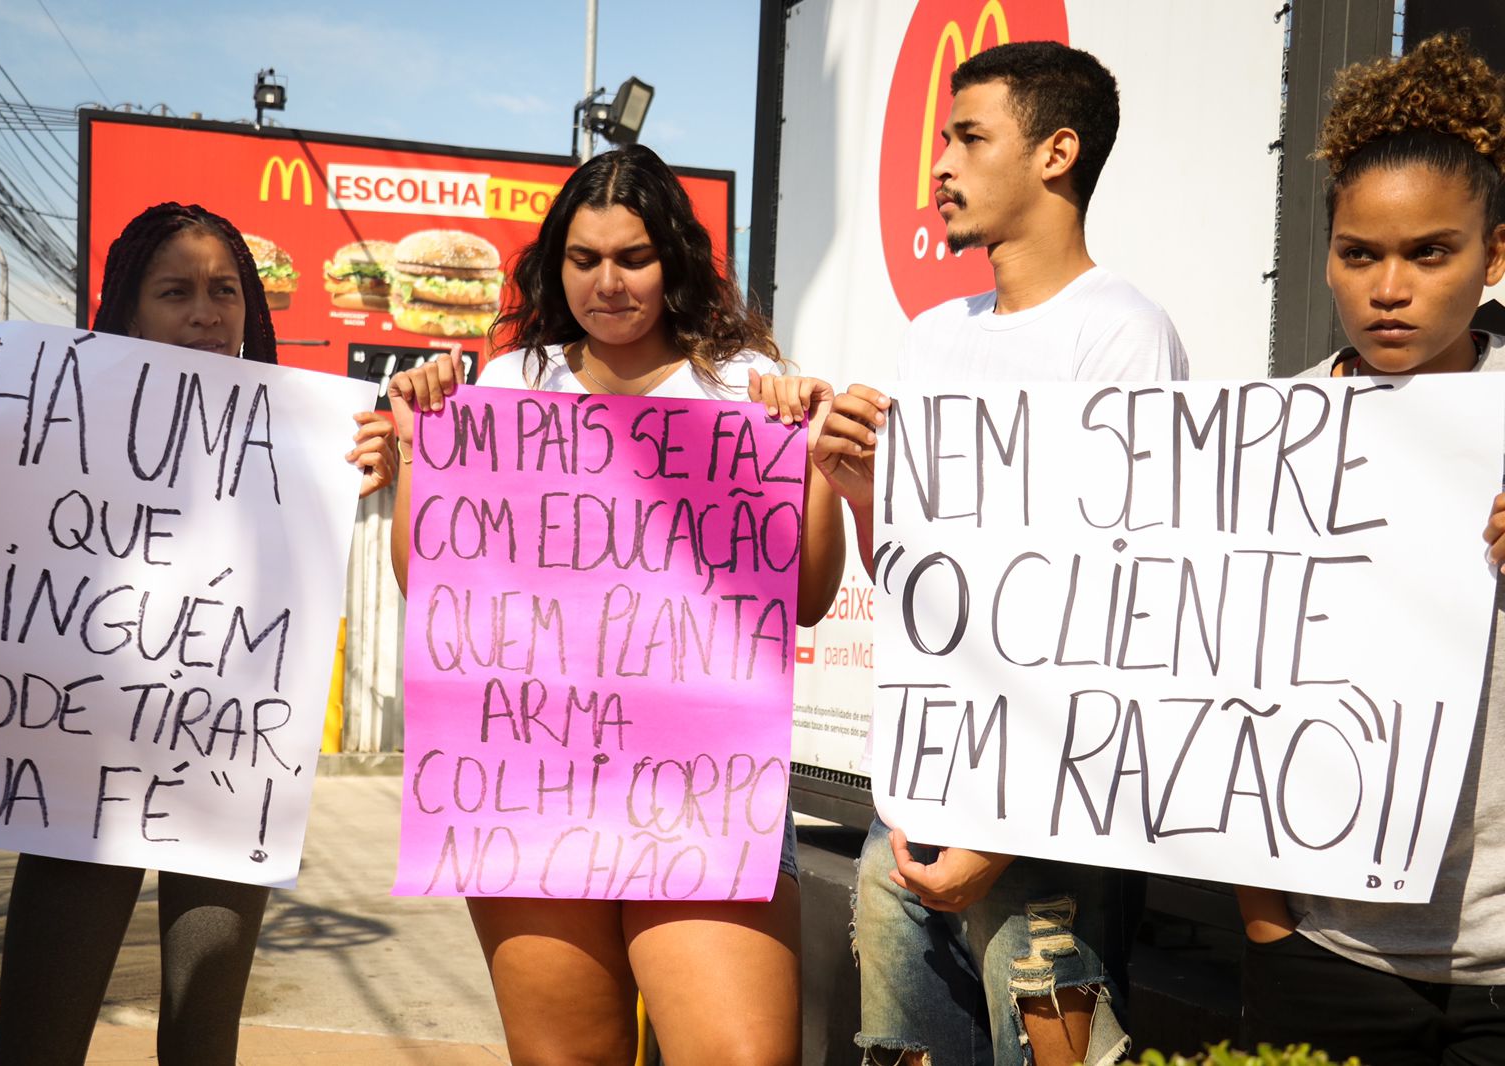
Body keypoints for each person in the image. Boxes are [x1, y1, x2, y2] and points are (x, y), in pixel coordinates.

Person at [386, 143, 845, 1066]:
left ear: (673, 258)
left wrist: (815, 459)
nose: (609, 283)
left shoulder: (743, 384)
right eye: (584, 259)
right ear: (556, 265)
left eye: (632, 257)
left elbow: (802, 598)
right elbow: (430, 585)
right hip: (533, 792)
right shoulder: (514, 386)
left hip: (704, 798)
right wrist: (414, 450)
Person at [0, 201, 395, 1066]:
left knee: (202, 1039)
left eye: (225, 290)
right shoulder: (45, 409)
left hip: (226, 778)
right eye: (175, 290)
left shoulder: (300, 439)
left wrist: (383, 467)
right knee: (38, 1038)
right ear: (126, 309)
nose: (205, 313)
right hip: (77, 772)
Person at [812, 42, 1189, 1066]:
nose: (939, 163)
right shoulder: (934, 335)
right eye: (942, 136)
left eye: (969, 137)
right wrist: (857, 491)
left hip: (1049, 823)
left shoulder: (1122, 334)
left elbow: (1120, 605)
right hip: (917, 806)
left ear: (1056, 152)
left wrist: (1001, 843)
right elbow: (911, 574)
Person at [1238, 34, 1505, 1065]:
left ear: (1492, 256)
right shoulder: (1261, 438)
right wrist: (1268, 925)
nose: (1389, 286)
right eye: (1360, 253)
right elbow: (1214, 693)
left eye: (1429, 252)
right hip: (1328, 950)